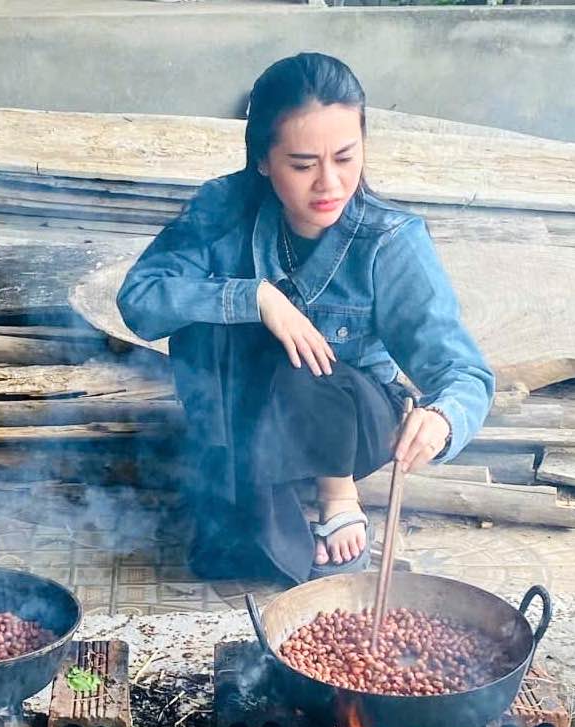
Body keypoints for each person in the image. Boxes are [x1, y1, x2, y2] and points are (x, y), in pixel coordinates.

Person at [117, 53, 493, 584]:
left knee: (294, 360)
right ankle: (241, 495)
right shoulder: (223, 206)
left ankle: (335, 494)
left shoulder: (390, 240)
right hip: (247, 417)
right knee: (217, 330)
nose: (329, 184)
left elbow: (464, 372)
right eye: (301, 165)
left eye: (345, 157)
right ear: (263, 160)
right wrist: (258, 299)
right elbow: (141, 300)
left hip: (354, 416)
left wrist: (443, 418)